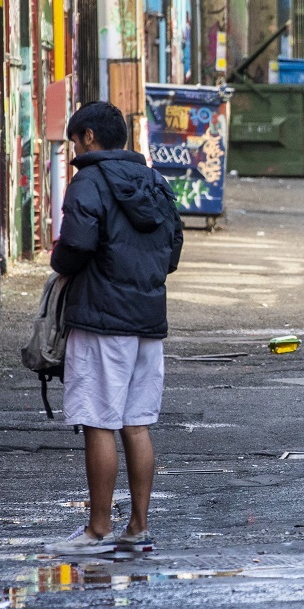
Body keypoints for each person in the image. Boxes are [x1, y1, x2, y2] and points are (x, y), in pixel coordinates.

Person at [50, 100, 184, 556]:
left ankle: (98, 530)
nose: (73, 147)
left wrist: (59, 261)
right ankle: (138, 526)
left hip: (102, 319)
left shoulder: (88, 182)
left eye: (74, 139)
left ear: (88, 136)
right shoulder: (154, 181)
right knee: (138, 424)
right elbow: (172, 251)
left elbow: (77, 244)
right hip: (148, 319)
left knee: (98, 422)